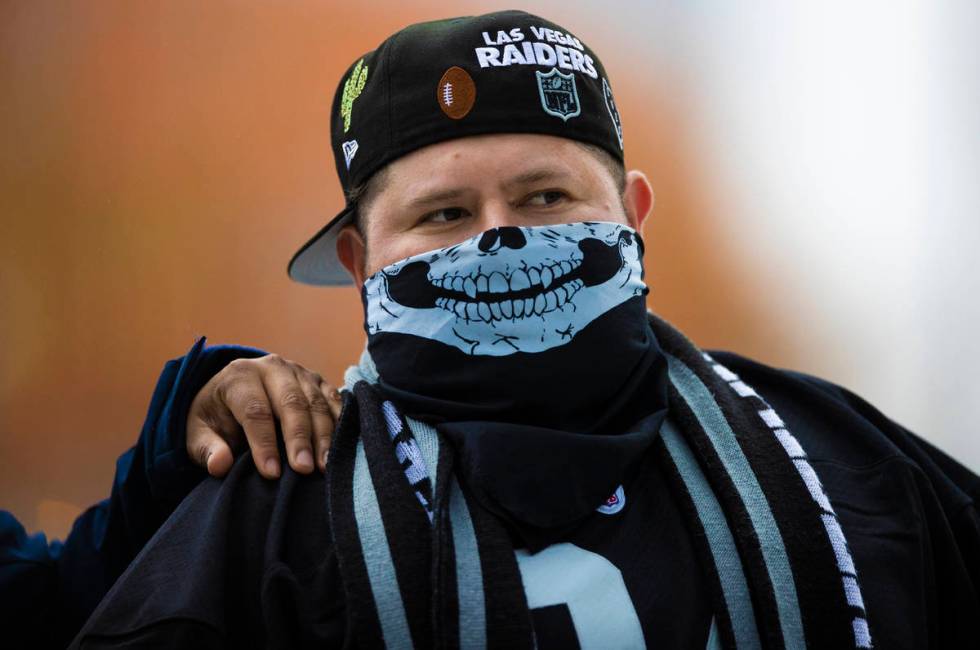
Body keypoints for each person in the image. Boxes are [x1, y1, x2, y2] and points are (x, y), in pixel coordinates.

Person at [3, 9, 979, 649]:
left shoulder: (860, 470)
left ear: (633, 213)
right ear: (358, 258)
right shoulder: (267, 526)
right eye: (442, 214)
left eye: (545, 195)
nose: (498, 238)